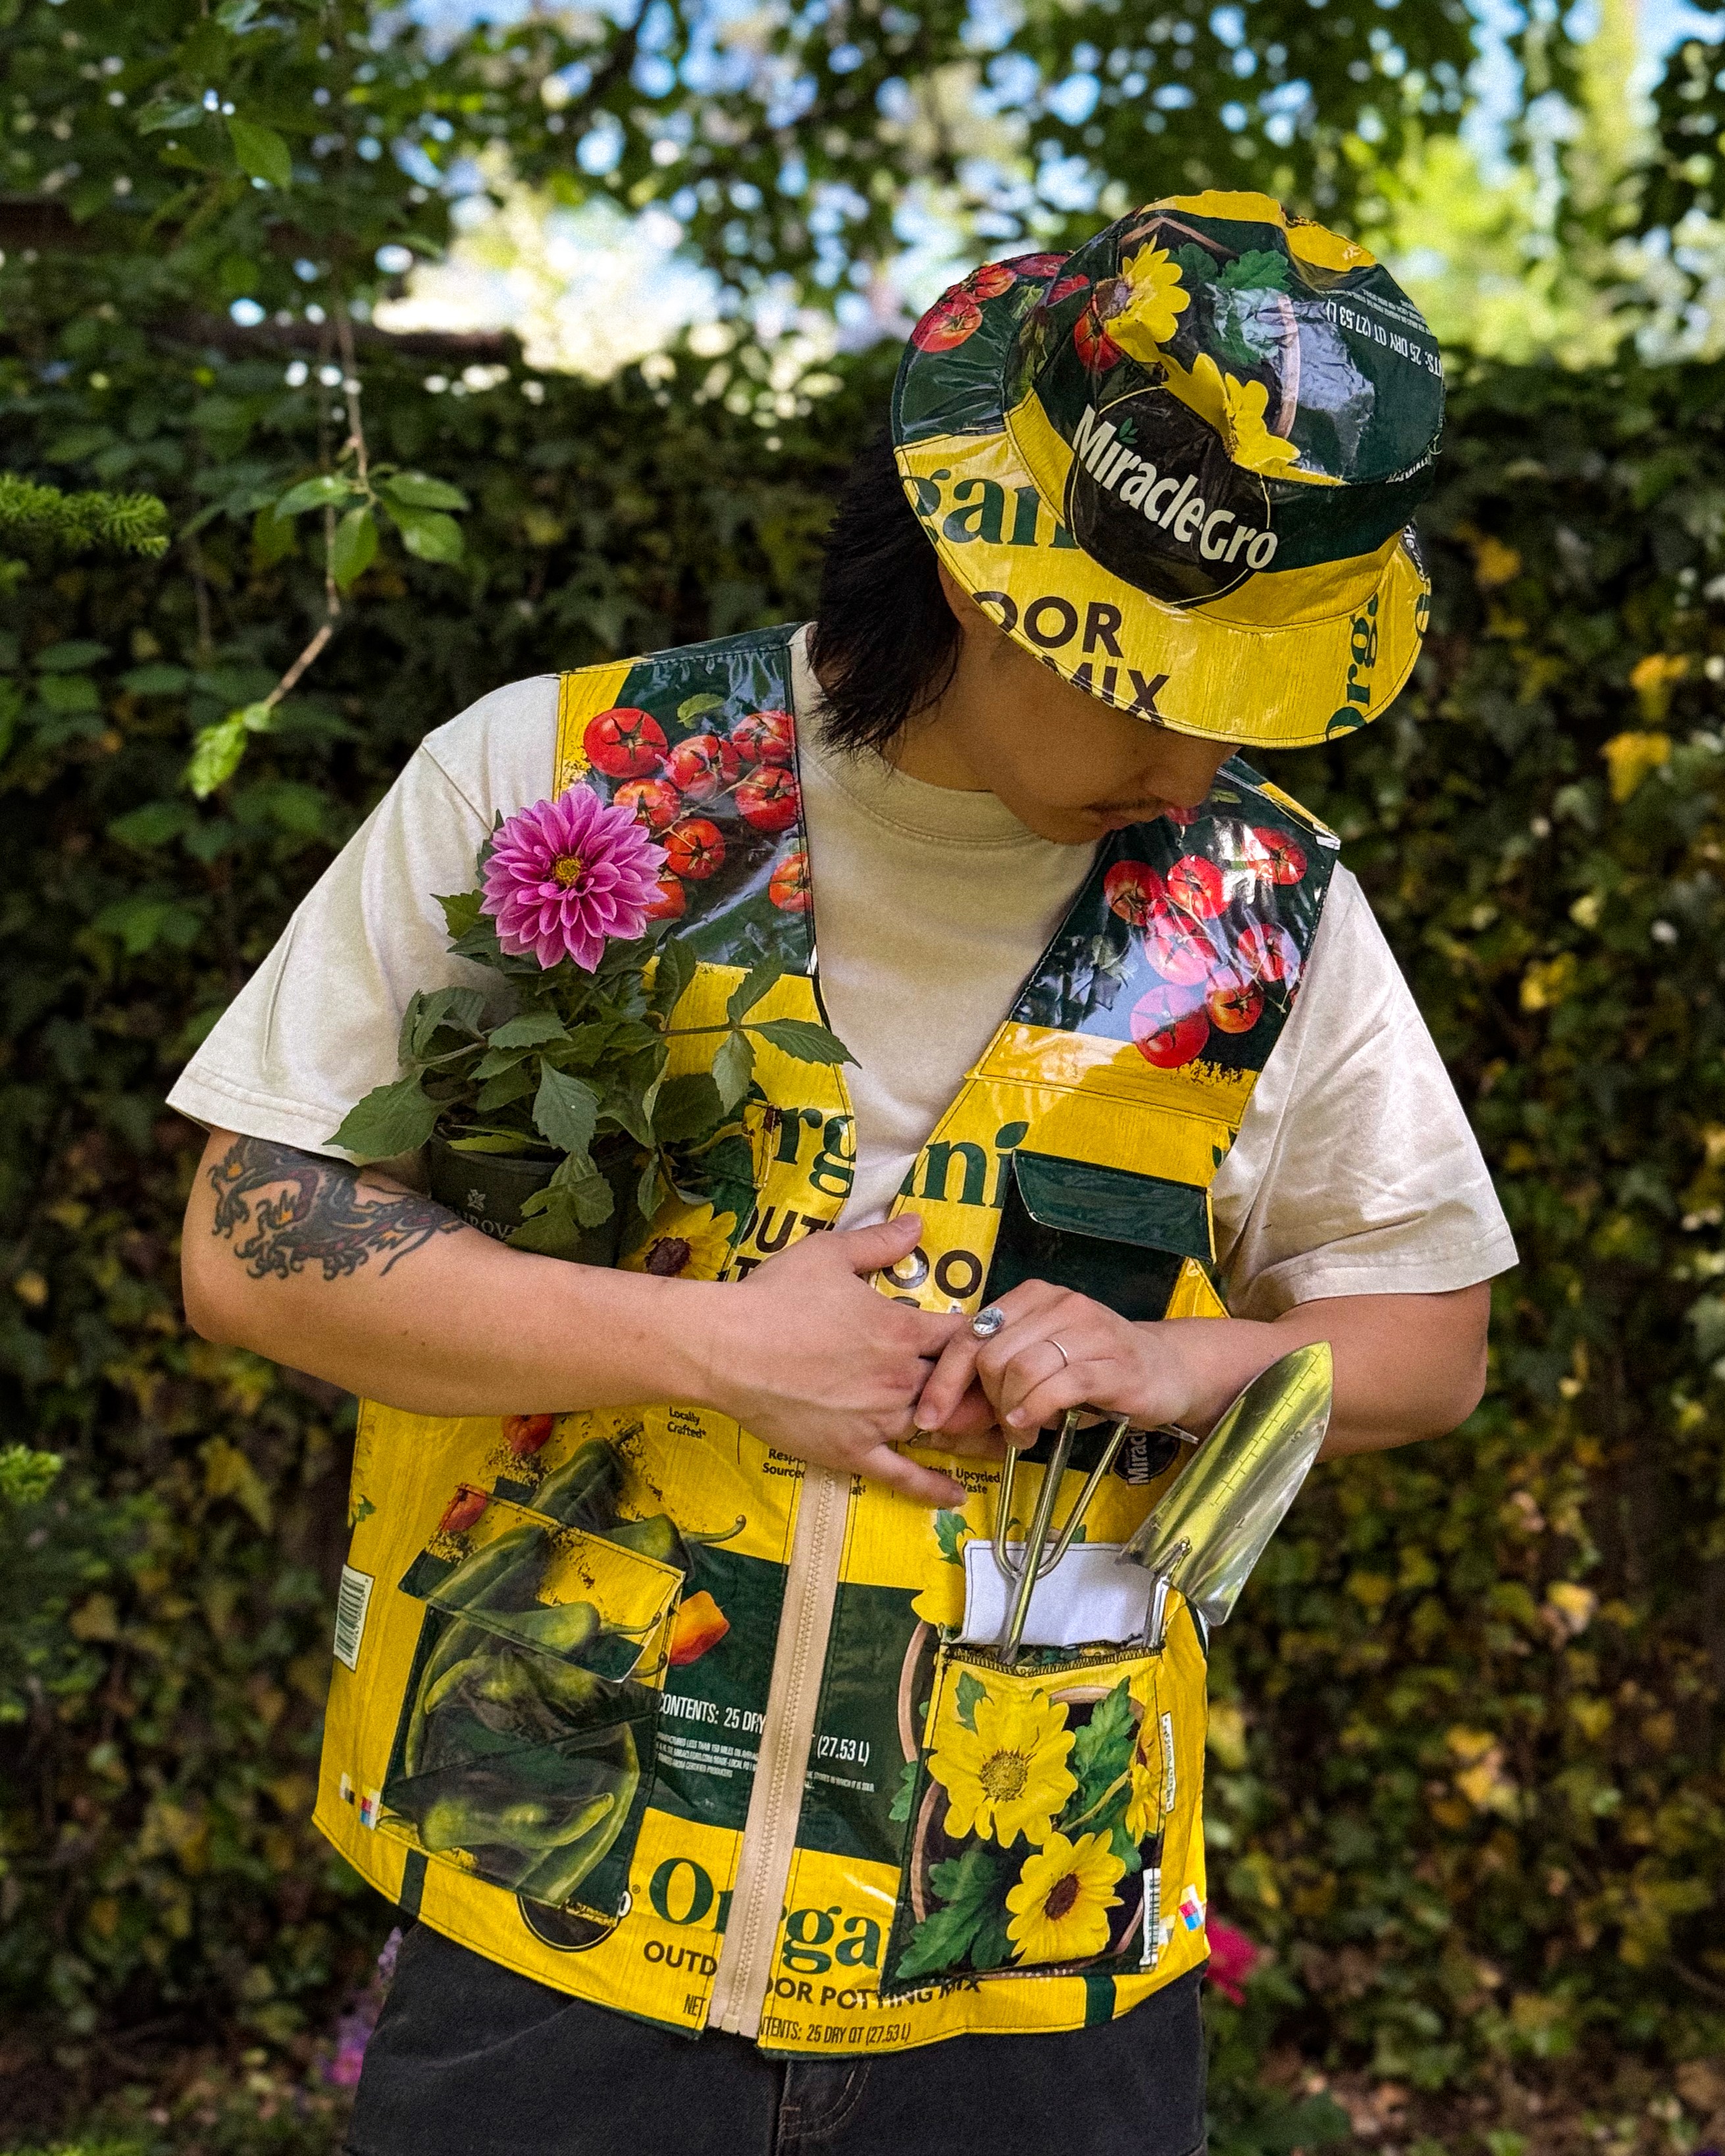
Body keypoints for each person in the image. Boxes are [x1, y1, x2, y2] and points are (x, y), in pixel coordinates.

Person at [170, 191, 1514, 2156]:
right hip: (550, 1933)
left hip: (1036, 1969)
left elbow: (1434, 1340)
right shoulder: (560, 774)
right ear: (982, 566)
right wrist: (712, 1344)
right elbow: (247, 1242)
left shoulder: (1273, 910)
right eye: (1153, 682)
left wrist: (1183, 1364)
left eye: (1250, 701)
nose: (1193, 763)